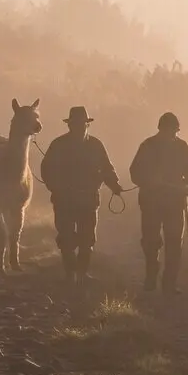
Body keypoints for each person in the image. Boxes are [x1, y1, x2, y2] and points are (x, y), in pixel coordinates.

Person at [40, 106, 125, 286]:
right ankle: (71, 274)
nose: (79, 127)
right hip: (65, 201)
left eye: (82, 124)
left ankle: (82, 273)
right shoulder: (58, 145)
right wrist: (56, 188)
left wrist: (115, 185)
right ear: (69, 125)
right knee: (66, 239)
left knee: (87, 240)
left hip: (88, 201)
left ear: (87, 125)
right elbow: (46, 170)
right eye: (75, 124)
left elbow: (107, 168)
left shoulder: (96, 145)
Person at [129, 112, 188, 294]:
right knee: (151, 242)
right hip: (151, 203)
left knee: (174, 244)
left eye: (173, 131)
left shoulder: (183, 147)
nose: (170, 134)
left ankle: (169, 284)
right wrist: (149, 181)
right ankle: (151, 277)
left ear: (176, 131)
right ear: (160, 129)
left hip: (175, 203)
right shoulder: (147, 146)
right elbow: (134, 172)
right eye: (167, 130)